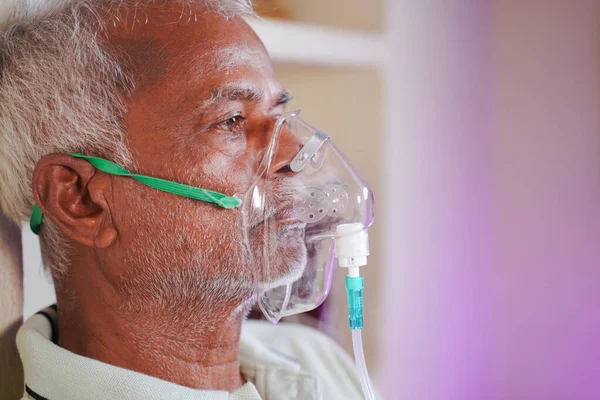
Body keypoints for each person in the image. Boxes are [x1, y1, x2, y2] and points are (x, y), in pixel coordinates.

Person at [0, 1, 372, 399]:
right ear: (80, 199)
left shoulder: (316, 362)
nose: (294, 154)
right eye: (231, 121)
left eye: (279, 113)